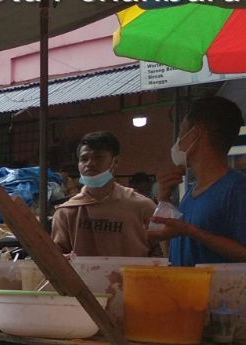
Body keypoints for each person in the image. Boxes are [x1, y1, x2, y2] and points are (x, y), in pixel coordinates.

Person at [151, 95, 246, 266]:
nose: (178, 140)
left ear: (196, 132)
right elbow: (171, 256)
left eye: (181, 131)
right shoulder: (191, 192)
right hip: (186, 290)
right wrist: (164, 201)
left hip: (220, 292)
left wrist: (193, 231)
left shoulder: (237, 189)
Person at [51, 132, 160, 258]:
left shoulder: (142, 207)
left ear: (116, 161)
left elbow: (160, 251)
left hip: (131, 277)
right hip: (83, 277)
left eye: (98, 157)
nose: (90, 164)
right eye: (84, 159)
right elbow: (57, 256)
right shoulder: (67, 211)